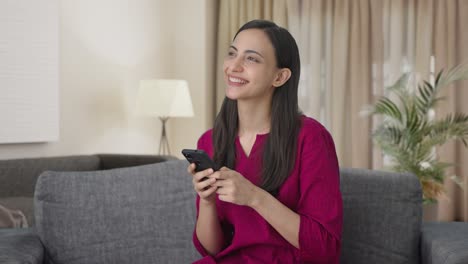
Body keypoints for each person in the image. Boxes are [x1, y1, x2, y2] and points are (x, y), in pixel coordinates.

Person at [187, 19, 342, 264]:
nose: (233, 66)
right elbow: (213, 251)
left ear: (280, 77)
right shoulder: (210, 140)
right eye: (232, 54)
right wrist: (207, 202)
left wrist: (254, 197)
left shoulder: (311, 138)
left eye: (251, 59)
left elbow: (325, 249)